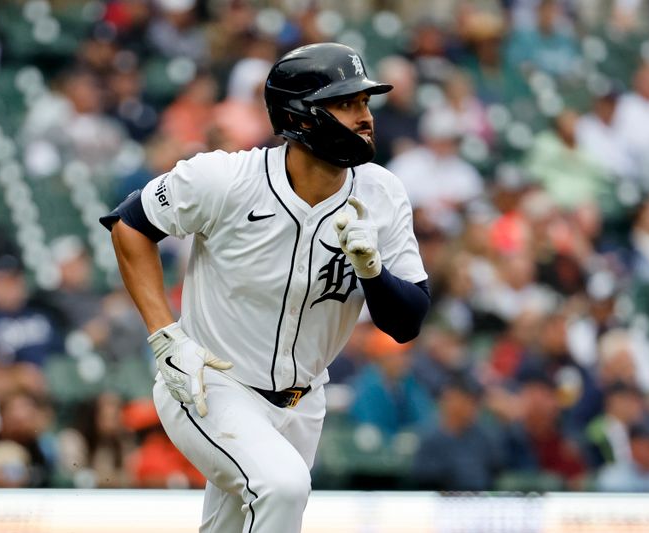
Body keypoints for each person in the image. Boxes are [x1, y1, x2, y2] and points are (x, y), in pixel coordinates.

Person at [101, 42, 429, 532]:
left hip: (303, 403)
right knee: (282, 487)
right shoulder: (226, 178)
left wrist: (372, 271)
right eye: (347, 103)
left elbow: (407, 323)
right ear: (302, 116)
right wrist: (164, 334)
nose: (365, 116)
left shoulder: (382, 193)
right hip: (211, 386)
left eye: (366, 102)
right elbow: (130, 223)